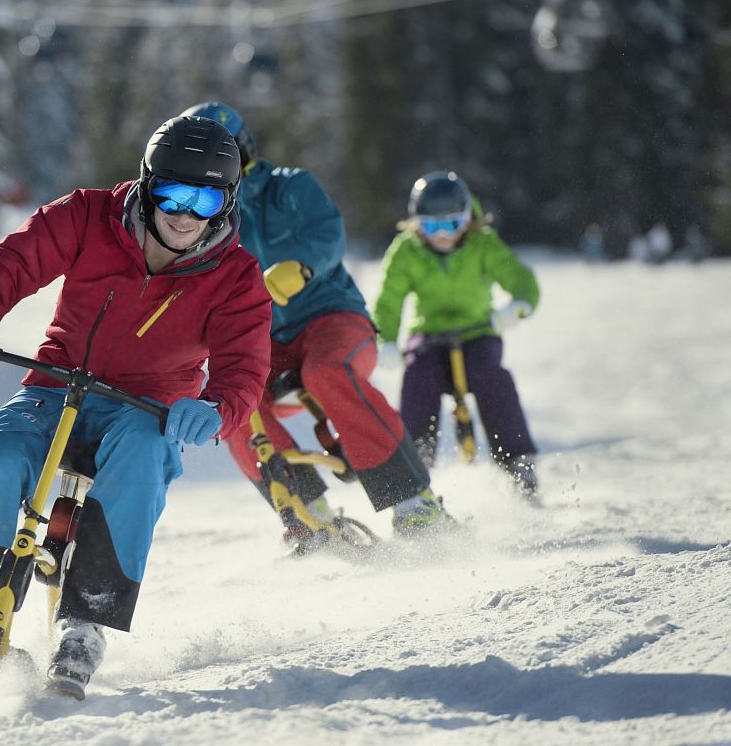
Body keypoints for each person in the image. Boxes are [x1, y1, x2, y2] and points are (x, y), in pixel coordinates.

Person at [0, 115, 272, 699]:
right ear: (147, 183)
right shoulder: (88, 216)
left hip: (146, 409)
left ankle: (83, 624)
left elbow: (245, 364)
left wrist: (218, 408)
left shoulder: (235, 276)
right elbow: (12, 261)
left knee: (141, 459)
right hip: (53, 389)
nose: (184, 213)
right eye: (171, 192)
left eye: (204, 198)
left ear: (226, 201)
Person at [181, 101, 451, 549]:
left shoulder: (290, 187)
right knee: (230, 402)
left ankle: (414, 503)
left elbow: (328, 233)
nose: (211, 167)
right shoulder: (200, 217)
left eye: (220, 154)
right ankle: (307, 515)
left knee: (326, 371)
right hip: (263, 339)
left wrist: (300, 266)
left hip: (332, 318)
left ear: (242, 151)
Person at [372, 170, 541, 496]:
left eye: (451, 224)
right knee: (419, 376)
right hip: (429, 335)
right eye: (430, 226)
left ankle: (518, 461)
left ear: (467, 219)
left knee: (491, 376)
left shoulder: (483, 243)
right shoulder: (406, 250)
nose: (442, 236)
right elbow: (388, 300)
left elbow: (520, 278)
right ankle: (414, 465)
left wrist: (518, 305)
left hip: (477, 331)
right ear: (415, 223)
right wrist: (386, 340)